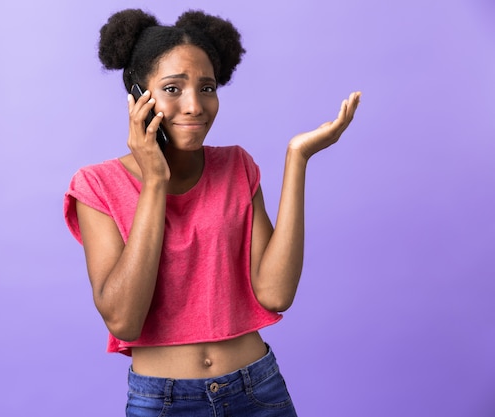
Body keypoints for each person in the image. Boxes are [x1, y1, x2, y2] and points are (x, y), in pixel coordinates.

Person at [64, 8, 361, 416]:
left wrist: (298, 158)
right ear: (137, 96)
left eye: (207, 88)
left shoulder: (236, 165)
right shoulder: (96, 186)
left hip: (259, 389)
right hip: (163, 402)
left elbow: (275, 294)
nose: (195, 106)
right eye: (173, 88)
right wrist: (154, 181)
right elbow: (124, 322)